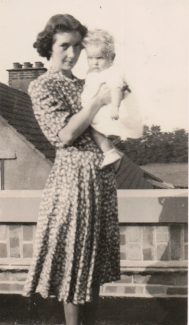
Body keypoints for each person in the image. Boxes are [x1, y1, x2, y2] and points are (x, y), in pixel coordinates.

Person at [23, 14, 120, 325]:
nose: (72, 54)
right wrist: (97, 102)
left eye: (78, 47)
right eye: (65, 45)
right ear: (49, 46)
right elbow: (64, 135)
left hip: (100, 181)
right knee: (74, 271)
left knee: (91, 272)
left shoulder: (85, 83)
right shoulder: (42, 85)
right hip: (73, 183)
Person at [81, 29, 143, 168]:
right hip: (99, 108)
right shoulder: (93, 73)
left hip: (108, 110)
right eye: (90, 58)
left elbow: (116, 89)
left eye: (99, 58)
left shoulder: (112, 72)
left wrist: (115, 107)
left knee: (91, 128)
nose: (94, 62)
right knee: (91, 130)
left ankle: (109, 152)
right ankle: (111, 153)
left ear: (112, 57)